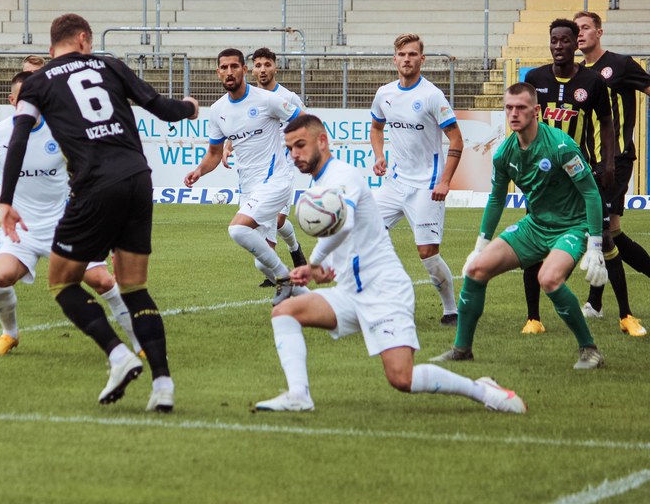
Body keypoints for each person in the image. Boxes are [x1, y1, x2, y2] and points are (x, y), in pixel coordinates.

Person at [253, 114, 526, 414]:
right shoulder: (319, 184)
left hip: (385, 292)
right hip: (351, 292)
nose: (294, 154)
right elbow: (343, 234)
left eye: (300, 145)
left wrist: (314, 263)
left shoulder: (343, 176)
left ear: (322, 141)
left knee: (402, 378)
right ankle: (298, 395)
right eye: (290, 148)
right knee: (285, 312)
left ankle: (483, 390)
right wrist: (328, 265)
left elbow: (343, 224)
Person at [0, 13, 199, 411]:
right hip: (138, 179)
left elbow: (19, 135)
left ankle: (119, 355)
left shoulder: (37, 81)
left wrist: (6, 199)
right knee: (135, 287)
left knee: (62, 282)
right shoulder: (109, 65)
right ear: (83, 39)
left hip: (94, 185)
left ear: (52, 47)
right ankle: (163, 385)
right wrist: (190, 108)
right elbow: (160, 107)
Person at [431, 82, 607, 370]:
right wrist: (480, 246)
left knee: (548, 278)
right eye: (509, 108)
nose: (513, 113)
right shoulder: (503, 154)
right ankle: (461, 349)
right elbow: (496, 199)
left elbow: (590, 192)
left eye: (521, 108)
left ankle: (590, 351)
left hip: (571, 227)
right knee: (476, 270)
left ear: (536, 111)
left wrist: (595, 246)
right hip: (535, 225)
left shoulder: (561, 146)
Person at [0, 71, 141, 358]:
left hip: (67, 225)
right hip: (21, 228)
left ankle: (140, 344)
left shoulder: (65, 130)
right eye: (24, 98)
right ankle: (9, 334)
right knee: (0, 276)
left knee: (101, 281)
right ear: (12, 100)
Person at [520, 19, 637, 335]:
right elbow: (523, 120)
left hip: (580, 173)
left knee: (605, 238)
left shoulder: (593, 81)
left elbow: (607, 123)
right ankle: (533, 319)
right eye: (554, 40)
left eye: (564, 40)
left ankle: (626, 315)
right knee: (535, 242)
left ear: (575, 44)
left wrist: (607, 164)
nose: (558, 46)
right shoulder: (535, 79)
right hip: (542, 177)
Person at [184, 48, 307, 304]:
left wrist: (303, 150)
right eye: (224, 68)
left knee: (238, 229)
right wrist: (199, 171)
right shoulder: (217, 110)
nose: (229, 72)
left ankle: (285, 276)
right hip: (249, 188)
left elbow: (305, 120)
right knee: (262, 264)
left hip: (276, 181)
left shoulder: (268, 99)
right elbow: (214, 153)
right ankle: (308, 299)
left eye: (234, 67)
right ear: (218, 72)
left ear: (243, 70)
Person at [369, 34, 463, 327]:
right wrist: (379, 155)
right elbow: (376, 127)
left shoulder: (432, 96)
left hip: (427, 185)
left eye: (412, 54)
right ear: (394, 59)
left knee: (427, 253)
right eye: (402, 54)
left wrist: (445, 181)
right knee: (364, 233)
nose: (406, 59)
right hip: (395, 183)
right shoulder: (384, 93)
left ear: (422, 59)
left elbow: (457, 140)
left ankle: (451, 310)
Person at [573, 10, 650, 336]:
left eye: (585, 28)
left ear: (599, 32)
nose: (580, 34)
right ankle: (595, 303)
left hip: (616, 161)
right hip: (591, 163)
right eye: (576, 29)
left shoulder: (621, 64)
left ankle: (603, 306)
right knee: (611, 232)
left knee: (601, 228)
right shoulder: (578, 74)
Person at [222, 47, 307, 286]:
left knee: (277, 221)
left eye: (267, 65)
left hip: (282, 169)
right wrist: (229, 145)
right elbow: (242, 128)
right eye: (258, 65)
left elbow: (305, 123)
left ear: (275, 68)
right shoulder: (248, 98)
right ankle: (283, 261)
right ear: (251, 70)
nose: (262, 70)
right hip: (255, 172)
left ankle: (285, 257)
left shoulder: (287, 97)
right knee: (270, 222)